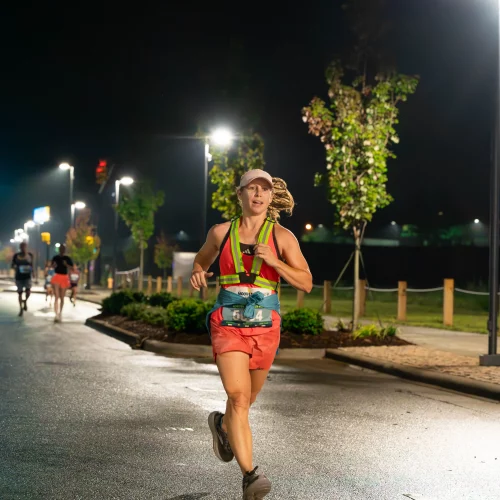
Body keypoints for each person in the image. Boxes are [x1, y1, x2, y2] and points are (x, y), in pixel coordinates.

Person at [190, 169, 312, 499]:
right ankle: (250, 476)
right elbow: (201, 260)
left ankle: (223, 426)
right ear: (240, 193)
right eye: (252, 188)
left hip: (265, 327)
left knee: (248, 399)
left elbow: (306, 282)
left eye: (264, 190)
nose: (258, 194)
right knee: (239, 397)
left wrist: (275, 261)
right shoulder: (220, 232)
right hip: (228, 323)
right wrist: (198, 271)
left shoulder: (282, 237)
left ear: (271, 197)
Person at [51, 244, 73, 322]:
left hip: (64, 277)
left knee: (62, 297)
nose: (62, 250)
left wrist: (66, 264)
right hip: (57, 276)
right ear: (59, 249)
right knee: (56, 296)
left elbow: (71, 267)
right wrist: (54, 265)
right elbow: (52, 266)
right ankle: (56, 314)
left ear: (65, 250)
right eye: (61, 248)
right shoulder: (55, 257)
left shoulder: (67, 258)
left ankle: (60, 313)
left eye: (63, 249)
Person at [11, 242, 35, 317]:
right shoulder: (16, 256)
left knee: (28, 292)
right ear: (20, 247)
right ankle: (21, 309)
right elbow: (12, 265)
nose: (23, 248)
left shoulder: (30, 255)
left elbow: (32, 264)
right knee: (20, 293)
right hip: (19, 276)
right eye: (22, 247)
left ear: (26, 247)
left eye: (24, 246)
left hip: (27, 276)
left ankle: (25, 301)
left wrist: (33, 272)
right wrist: (15, 267)